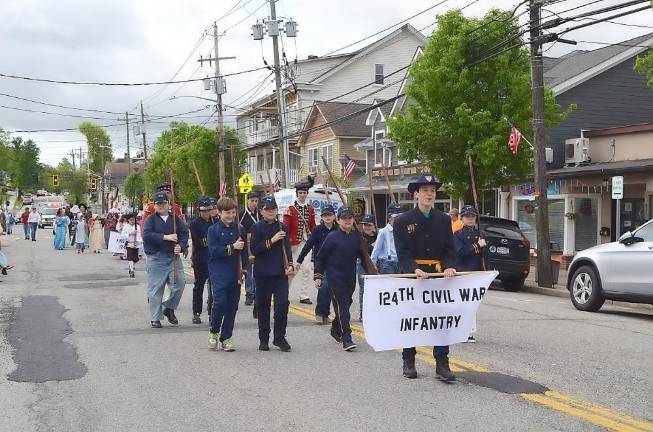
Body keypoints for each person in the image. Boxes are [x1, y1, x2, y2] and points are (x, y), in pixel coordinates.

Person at [393, 173, 458, 381]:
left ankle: (442, 363)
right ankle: (408, 360)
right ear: (416, 194)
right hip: (414, 276)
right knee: (412, 319)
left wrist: (448, 267)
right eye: (425, 191)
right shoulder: (403, 220)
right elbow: (402, 251)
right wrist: (412, 268)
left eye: (432, 191)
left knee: (440, 320)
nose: (429, 194)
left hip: (438, 276)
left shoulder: (444, 219)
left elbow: (449, 249)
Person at [315, 206, 368, 351]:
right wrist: (318, 276)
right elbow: (320, 257)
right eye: (344, 218)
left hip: (350, 278)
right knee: (343, 308)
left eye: (350, 218)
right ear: (338, 220)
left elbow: (364, 258)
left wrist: (372, 275)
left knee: (345, 305)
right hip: (334, 278)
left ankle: (335, 328)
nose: (347, 221)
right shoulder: (332, 238)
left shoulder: (357, 237)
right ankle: (347, 338)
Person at [250, 195, 294, 352]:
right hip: (262, 273)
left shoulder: (282, 227)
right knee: (263, 307)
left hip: (280, 273)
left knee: (282, 305)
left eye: (273, 209)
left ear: (277, 210)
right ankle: (264, 338)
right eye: (267, 209)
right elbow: (255, 249)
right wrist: (272, 240)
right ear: (261, 211)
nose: (270, 211)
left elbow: (287, 247)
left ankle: (279, 337)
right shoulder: (257, 228)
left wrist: (290, 264)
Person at [143, 191, 189, 328]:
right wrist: (165, 237)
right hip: (156, 258)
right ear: (154, 206)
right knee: (156, 289)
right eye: (158, 203)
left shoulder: (176, 219)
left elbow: (184, 233)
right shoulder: (151, 219)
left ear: (169, 204)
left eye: (163, 203)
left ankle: (169, 308)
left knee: (180, 283)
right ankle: (155, 318)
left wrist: (180, 246)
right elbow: (147, 235)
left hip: (173, 258)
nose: (161, 205)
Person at [207, 197, 248, 352]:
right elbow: (213, 251)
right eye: (227, 213)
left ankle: (226, 337)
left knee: (232, 306)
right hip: (218, 272)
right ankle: (214, 331)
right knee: (220, 303)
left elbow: (244, 252)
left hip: (234, 272)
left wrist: (244, 270)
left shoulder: (240, 229)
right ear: (219, 212)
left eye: (233, 212)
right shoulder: (213, 230)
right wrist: (232, 247)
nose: (231, 215)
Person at [297, 204, 337, 324]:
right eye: (325, 215)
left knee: (332, 289)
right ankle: (320, 313)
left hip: (336, 263)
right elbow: (308, 245)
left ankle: (326, 313)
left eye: (329, 215)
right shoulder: (318, 230)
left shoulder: (338, 229)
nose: (327, 217)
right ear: (322, 217)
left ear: (334, 216)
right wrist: (300, 259)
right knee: (323, 287)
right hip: (321, 262)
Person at [453, 205, 486, 343]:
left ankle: (470, 332)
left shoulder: (481, 234)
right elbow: (461, 252)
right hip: (463, 272)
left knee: (473, 304)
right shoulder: (457, 235)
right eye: (467, 216)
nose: (471, 219)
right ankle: (460, 330)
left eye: (473, 216)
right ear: (462, 218)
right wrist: (477, 246)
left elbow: (485, 255)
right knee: (462, 304)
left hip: (476, 273)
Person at [283, 176, 316, 305]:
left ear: (307, 194)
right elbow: (286, 227)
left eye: (304, 193)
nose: (302, 195)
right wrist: (289, 242)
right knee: (292, 271)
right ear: (297, 194)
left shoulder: (311, 209)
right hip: (293, 244)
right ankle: (284, 294)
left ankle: (304, 295)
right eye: (300, 193)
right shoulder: (290, 209)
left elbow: (312, 226)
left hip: (305, 243)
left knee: (307, 269)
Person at [190, 196, 216, 324]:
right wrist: (213, 240)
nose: (206, 213)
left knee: (214, 288)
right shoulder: (195, 224)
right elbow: (200, 242)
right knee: (199, 286)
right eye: (204, 210)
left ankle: (212, 312)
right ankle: (196, 312)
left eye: (208, 210)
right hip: (200, 259)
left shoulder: (215, 221)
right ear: (199, 211)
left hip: (214, 259)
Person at [239, 191, 261, 307]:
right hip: (246, 243)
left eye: (256, 201)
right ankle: (249, 294)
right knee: (248, 269)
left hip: (257, 243)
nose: (254, 203)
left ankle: (257, 292)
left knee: (258, 269)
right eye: (252, 201)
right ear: (247, 201)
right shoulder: (242, 214)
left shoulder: (260, 214)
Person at [371, 203, 403, 274]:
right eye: (396, 217)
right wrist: (373, 264)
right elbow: (376, 249)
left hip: (400, 263)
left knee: (400, 284)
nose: (399, 219)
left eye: (401, 217)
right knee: (389, 284)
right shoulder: (383, 232)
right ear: (389, 217)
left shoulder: (402, 231)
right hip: (387, 264)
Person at [357, 214, 377, 321]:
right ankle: (362, 312)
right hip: (362, 264)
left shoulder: (379, 236)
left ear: (374, 225)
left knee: (376, 289)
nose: (366, 227)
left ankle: (375, 311)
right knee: (363, 289)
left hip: (376, 265)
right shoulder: (359, 236)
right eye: (364, 225)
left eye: (369, 225)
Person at [122, 213, 141, 278]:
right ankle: (132, 270)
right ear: (128, 220)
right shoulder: (126, 226)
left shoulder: (137, 226)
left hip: (136, 244)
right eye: (131, 220)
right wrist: (130, 233)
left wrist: (138, 241)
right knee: (130, 258)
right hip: (129, 244)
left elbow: (139, 235)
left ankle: (131, 266)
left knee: (135, 259)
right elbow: (122, 235)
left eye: (133, 220)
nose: (132, 221)